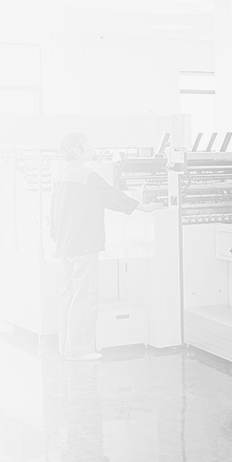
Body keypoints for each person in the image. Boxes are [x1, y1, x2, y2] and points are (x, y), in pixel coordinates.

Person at [51, 132, 158, 361]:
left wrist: (57, 241)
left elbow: (54, 212)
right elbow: (111, 196)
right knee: (85, 298)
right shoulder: (87, 176)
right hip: (84, 246)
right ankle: (80, 350)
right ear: (77, 150)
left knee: (68, 297)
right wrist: (141, 207)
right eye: (87, 145)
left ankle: (66, 347)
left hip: (66, 246)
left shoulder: (61, 175)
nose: (91, 148)